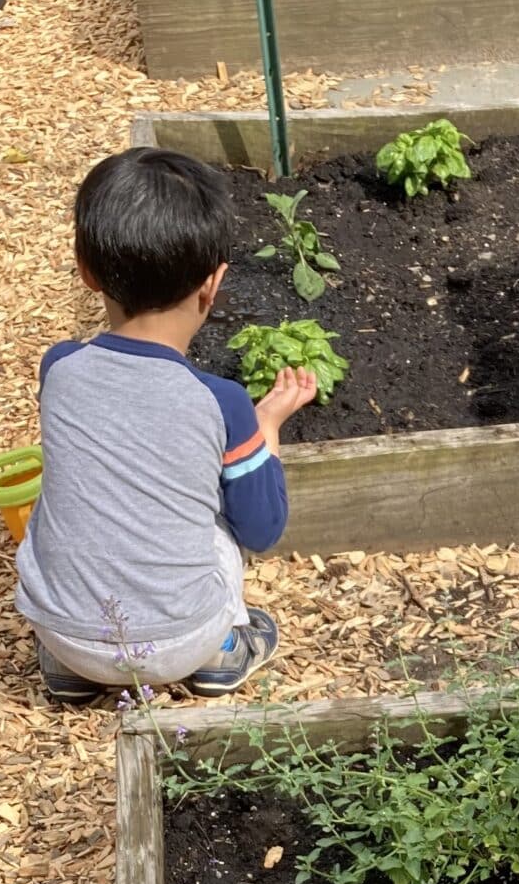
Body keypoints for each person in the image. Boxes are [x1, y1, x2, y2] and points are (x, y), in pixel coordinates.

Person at [17, 147, 310, 706]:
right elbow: (262, 528)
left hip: (61, 632)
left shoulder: (59, 369)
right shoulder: (221, 402)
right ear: (213, 284)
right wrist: (265, 423)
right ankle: (221, 651)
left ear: (85, 271)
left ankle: (72, 669)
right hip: (177, 643)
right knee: (218, 519)